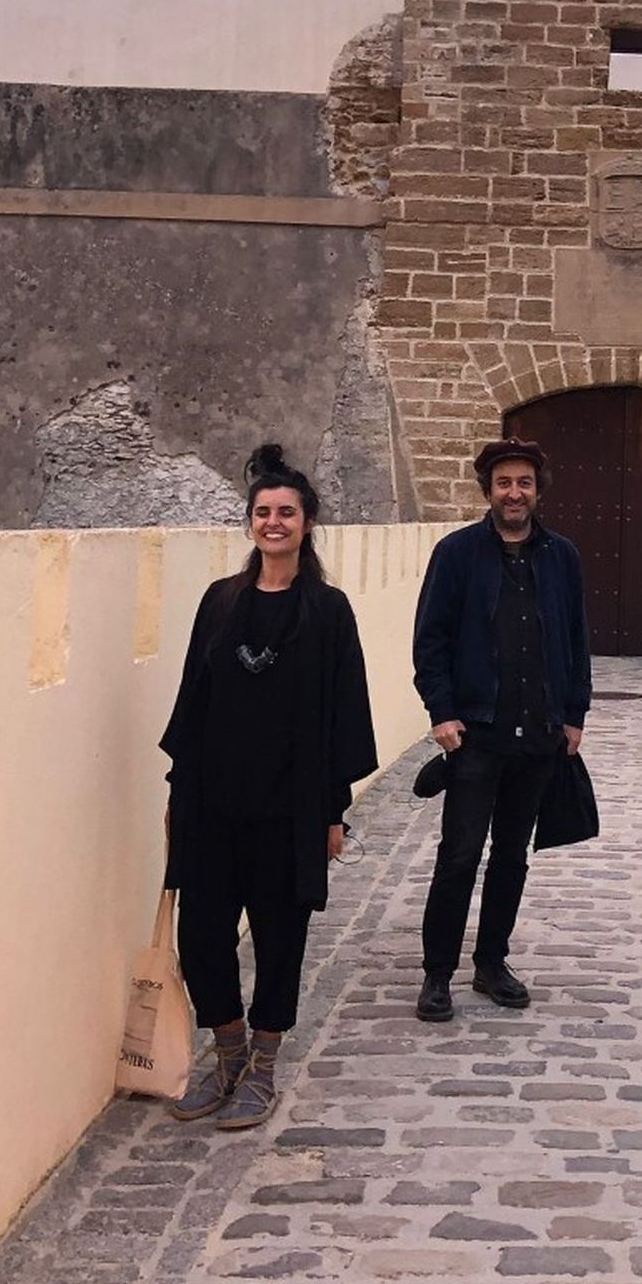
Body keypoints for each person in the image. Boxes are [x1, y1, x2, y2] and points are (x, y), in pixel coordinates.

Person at [161, 444, 377, 1129]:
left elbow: (345, 710)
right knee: (201, 937)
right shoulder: (219, 602)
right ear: (249, 522)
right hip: (214, 801)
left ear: (307, 522)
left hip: (291, 809)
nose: (274, 522)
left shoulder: (327, 611)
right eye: (263, 511)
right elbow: (193, 699)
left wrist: (332, 812)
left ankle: (263, 1064)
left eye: (287, 511)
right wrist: (178, 789)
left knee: (281, 938)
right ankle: (225, 1053)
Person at [411, 438, 591, 1023]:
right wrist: (441, 712)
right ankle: (437, 974)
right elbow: (430, 640)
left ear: (538, 490)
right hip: (477, 736)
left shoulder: (561, 555)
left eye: (524, 483)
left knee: (512, 855)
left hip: (537, 734)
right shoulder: (457, 554)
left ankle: (491, 963)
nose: (514, 493)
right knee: (459, 855)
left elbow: (575, 639)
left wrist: (574, 715)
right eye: (504, 483)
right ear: (487, 490)